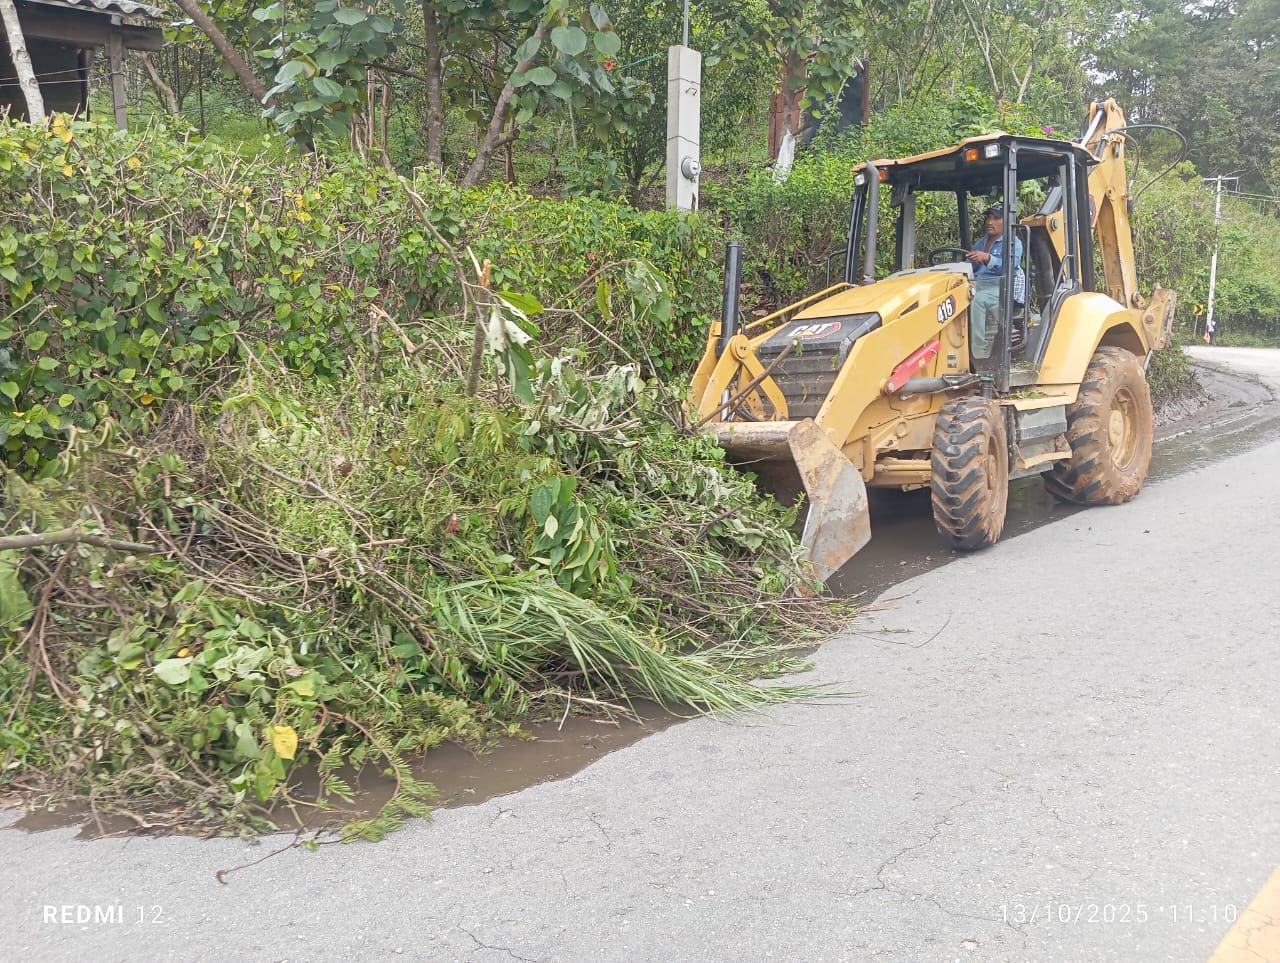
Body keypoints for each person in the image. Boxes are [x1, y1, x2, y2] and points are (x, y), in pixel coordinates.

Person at [965, 204, 1026, 360]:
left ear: (1007, 221)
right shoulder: (980, 243)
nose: (990, 222)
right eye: (989, 218)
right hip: (978, 284)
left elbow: (1010, 267)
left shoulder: (1014, 243)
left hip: (1000, 286)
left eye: (996, 218)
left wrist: (988, 258)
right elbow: (972, 266)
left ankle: (979, 355)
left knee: (977, 300)